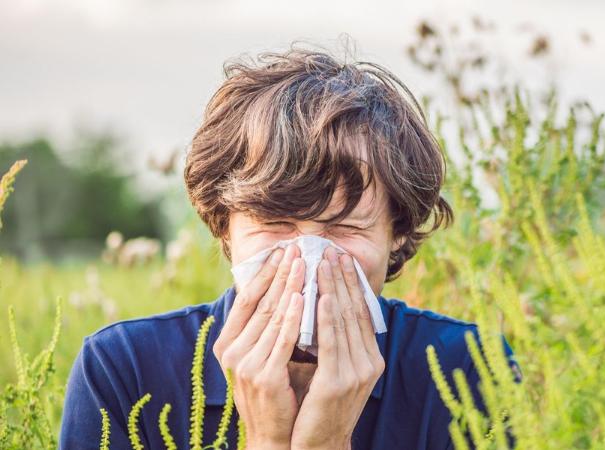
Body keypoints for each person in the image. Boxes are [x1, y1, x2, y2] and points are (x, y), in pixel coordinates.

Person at [59, 45, 520, 449]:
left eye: (344, 228)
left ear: (396, 233)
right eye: (276, 223)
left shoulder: (470, 371)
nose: (308, 259)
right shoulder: (125, 371)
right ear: (224, 226)